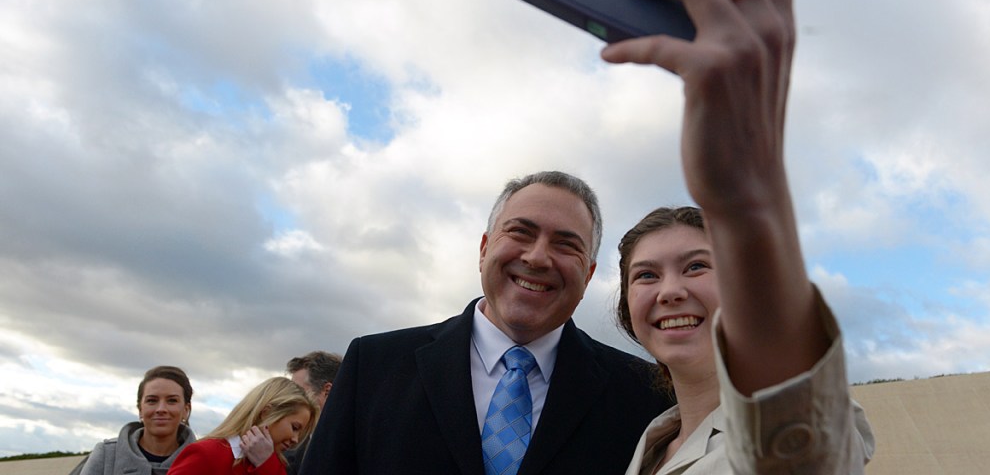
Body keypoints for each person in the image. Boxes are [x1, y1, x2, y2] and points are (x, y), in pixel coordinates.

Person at [597, 0, 875, 472]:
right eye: (646, 275)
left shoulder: (808, 428)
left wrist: (746, 201)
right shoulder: (652, 442)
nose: (670, 290)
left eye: (697, 266)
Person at [300, 171, 674, 474]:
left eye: (565, 245)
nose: (537, 256)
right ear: (484, 250)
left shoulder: (644, 396)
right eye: (521, 232)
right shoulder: (374, 365)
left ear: (588, 275)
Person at [168, 377, 318, 475]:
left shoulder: (275, 464)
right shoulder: (206, 453)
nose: (295, 439)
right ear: (266, 413)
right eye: (295, 428)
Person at [80, 366, 196, 475]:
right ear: (140, 409)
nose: (161, 409)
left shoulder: (203, 460)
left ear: (186, 409)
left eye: (172, 400)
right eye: (152, 400)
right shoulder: (107, 455)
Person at [283, 351, 342, 475]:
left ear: (327, 391)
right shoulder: (292, 443)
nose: (289, 398)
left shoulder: (349, 445)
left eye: (297, 391)